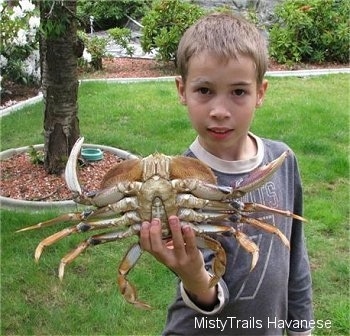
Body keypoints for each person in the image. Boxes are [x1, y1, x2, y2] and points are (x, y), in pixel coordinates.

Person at [140, 12, 313, 336]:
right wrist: (193, 279)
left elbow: (295, 257)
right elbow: (205, 290)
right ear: (182, 90)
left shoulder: (282, 160)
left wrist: (301, 329)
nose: (220, 110)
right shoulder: (178, 180)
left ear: (260, 93)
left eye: (238, 92)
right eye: (205, 90)